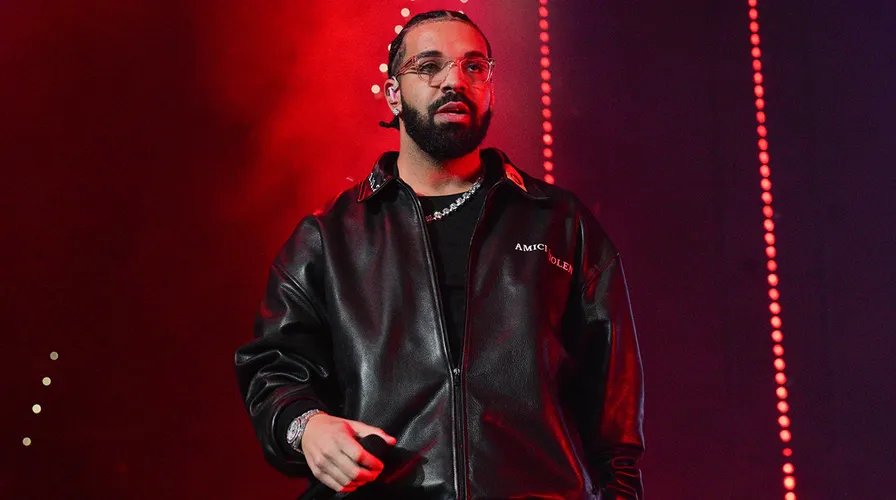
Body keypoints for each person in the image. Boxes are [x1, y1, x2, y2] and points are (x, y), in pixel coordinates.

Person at [235, 10, 645, 499]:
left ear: (490, 87)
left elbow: (614, 419)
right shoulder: (329, 238)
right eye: (429, 66)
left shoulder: (562, 224)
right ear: (392, 93)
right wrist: (309, 426)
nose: (454, 80)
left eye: (474, 67)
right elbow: (273, 370)